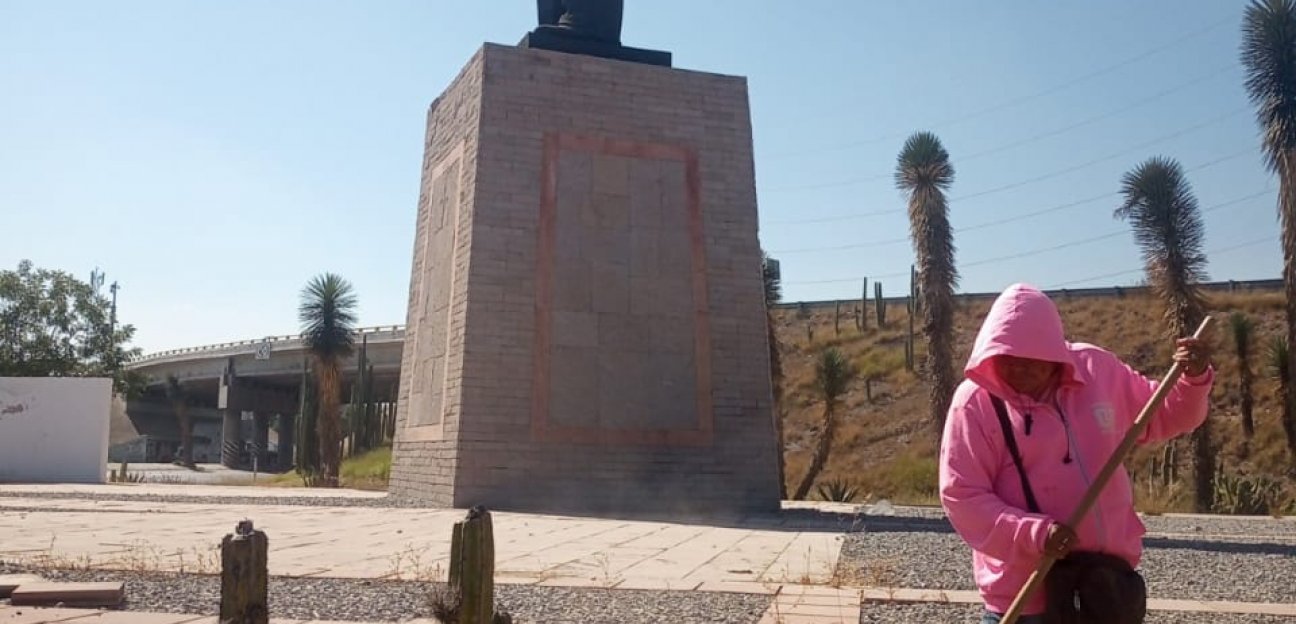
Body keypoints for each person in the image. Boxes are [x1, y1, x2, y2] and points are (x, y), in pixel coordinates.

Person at [939, 283, 1213, 623]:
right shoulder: (974, 402)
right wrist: (1036, 535)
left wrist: (1193, 380)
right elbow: (962, 496)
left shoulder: (1097, 370)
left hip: (1103, 589)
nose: (1019, 369)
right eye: (1008, 358)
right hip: (1024, 597)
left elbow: (1168, 415)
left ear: (1054, 353)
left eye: (1032, 359)